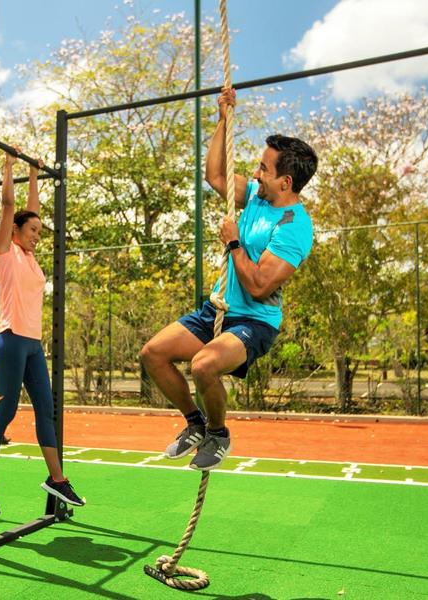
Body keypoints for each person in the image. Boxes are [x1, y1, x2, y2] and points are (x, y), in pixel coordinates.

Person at [140, 87, 318, 471]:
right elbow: (215, 174)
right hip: (217, 308)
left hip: (254, 321)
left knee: (204, 365)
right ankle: (194, 422)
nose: (255, 173)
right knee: (152, 354)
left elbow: (258, 285)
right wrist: (223, 117)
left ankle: (218, 435)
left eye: (264, 170)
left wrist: (233, 240)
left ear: (286, 182)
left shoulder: (295, 227)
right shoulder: (256, 196)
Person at [0, 148, 85, 516]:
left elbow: (29, 211)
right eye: (33, 231)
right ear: (14, 231)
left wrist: (33, 173)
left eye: (40, 231)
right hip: (10, 339)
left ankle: (57, 480)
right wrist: (9, 167)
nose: (38, 235)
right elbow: (11, 208)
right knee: (6, 411)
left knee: (46, 408)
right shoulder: (5, 252)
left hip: (32, 344)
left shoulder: (29, 255)